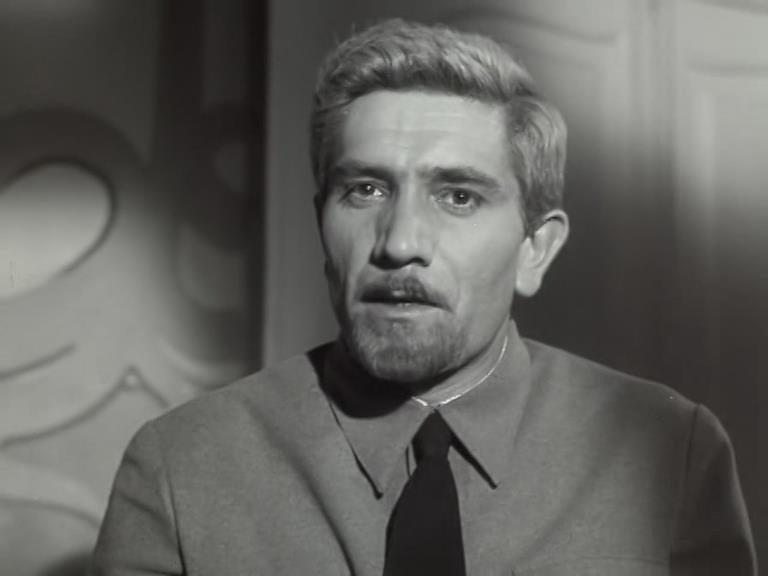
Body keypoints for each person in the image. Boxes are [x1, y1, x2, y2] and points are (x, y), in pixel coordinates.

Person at [91, 19, 756, 575]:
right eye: (365, 190)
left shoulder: (674, 452)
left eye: (458, 196)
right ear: (321, 223)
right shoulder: (181, 469)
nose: (400, 242)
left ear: (535, 248)